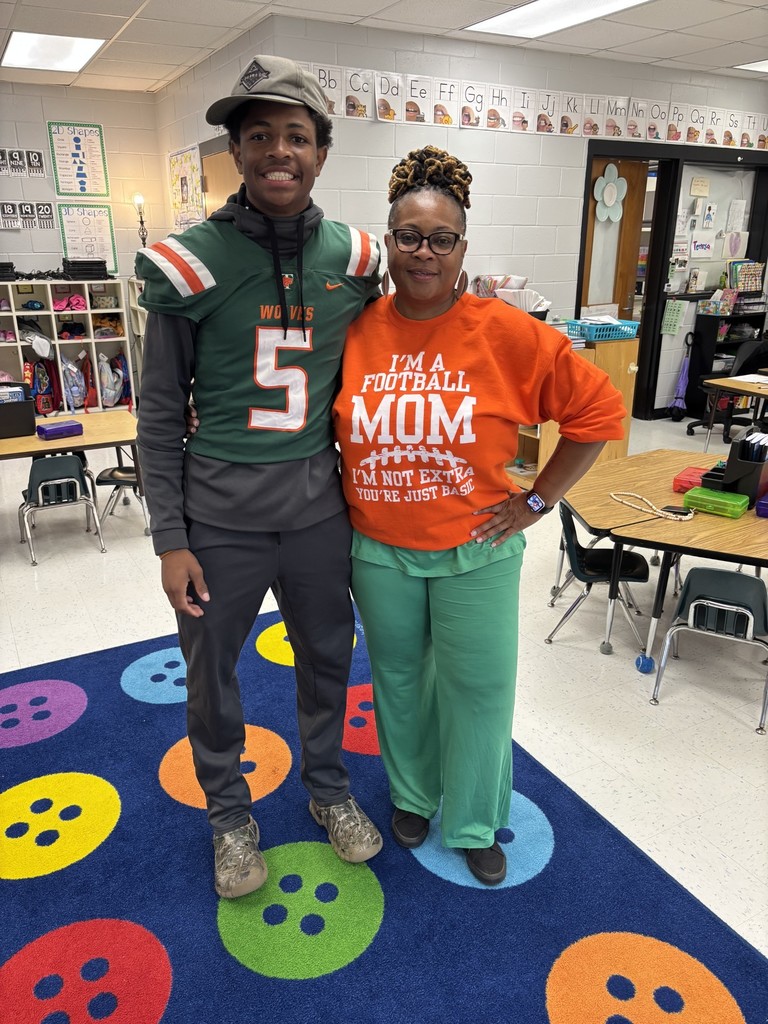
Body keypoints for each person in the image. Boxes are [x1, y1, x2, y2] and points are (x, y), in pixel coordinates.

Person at [332, 146, 626, 885]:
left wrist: (537, 499)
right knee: (398, 680)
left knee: (479, 689)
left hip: (477, 550)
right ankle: (412, 794)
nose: (423, 252)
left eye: (441, 238)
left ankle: (469, 818)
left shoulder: (505, 330)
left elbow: (597, 412)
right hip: (379, 548)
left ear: (463, 248)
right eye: (408, 236)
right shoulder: (356, 328)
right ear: (388, 240)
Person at [136, 55, 383, 901]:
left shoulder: (357, 257)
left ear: (322, 151)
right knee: (212, 675)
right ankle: (230, 817)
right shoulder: (187, 262)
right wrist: (170, 539)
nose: (280, 151)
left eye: (297, 136)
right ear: (235, 152)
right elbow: (161, 413)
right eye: (260, 136)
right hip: (220, 522)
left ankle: (328, 790)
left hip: (319, 514)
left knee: (327, 658)